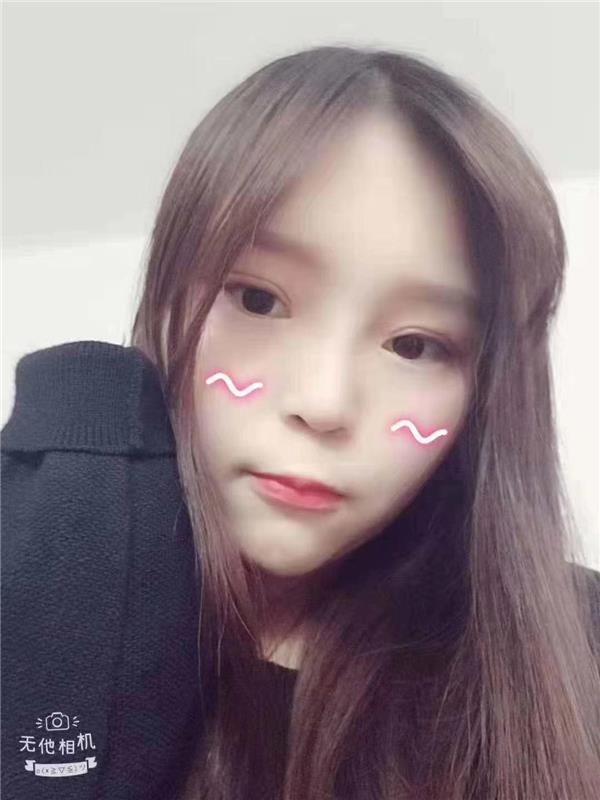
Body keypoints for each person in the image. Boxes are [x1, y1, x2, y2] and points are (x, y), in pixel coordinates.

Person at [3, 46, 600, 800]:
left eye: (415, 346)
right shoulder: (35, 592)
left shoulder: (582, 651)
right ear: (166, 299)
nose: (323, 404)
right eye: (259, 300)